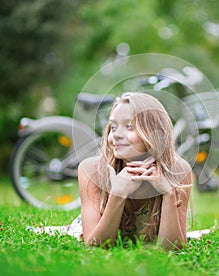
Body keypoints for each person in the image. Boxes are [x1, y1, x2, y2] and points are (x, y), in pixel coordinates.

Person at [28, 92, 193, 250]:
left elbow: (171, 248)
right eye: (113, 127)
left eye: (129, 126)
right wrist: (117, 194)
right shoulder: (92, 170)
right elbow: (96, 245)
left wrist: (168, 194)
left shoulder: (179, 170)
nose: (117, 135)